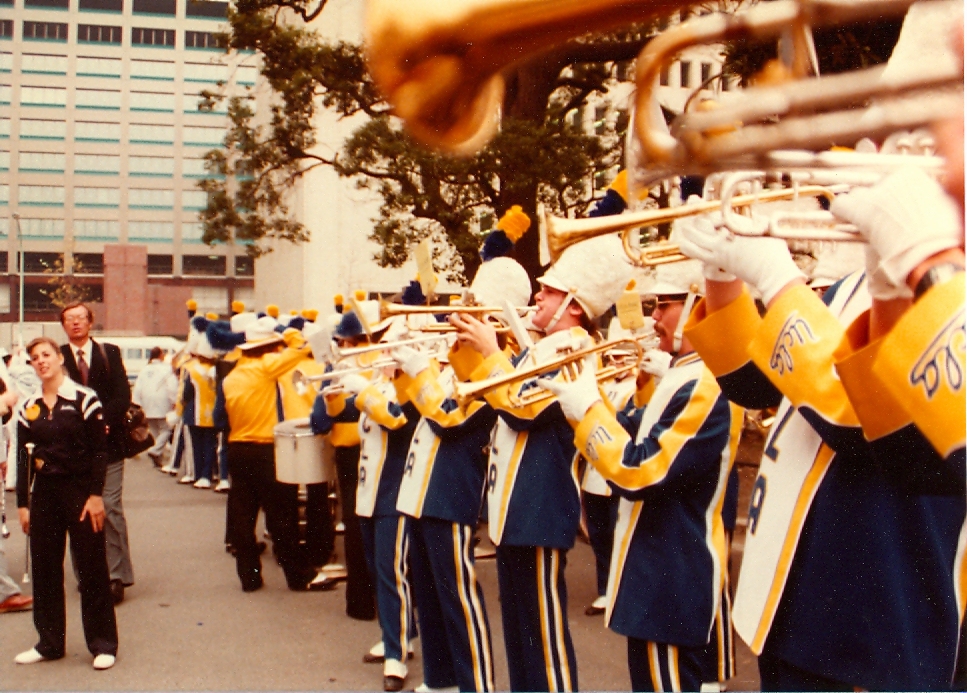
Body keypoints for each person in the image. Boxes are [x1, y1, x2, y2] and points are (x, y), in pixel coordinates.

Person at [541, 260, 742, 692]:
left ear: (694, 304)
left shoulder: (703, 382)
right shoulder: (682, 375)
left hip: (670, 572)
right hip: (655, 570)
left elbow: (640, 471)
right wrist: (588, 404)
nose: (653, 315)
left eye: (663, 305)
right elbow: (632, 434)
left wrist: (588, 413)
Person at [451, 233, 633, 692]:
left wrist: (492, 353)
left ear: (574, 305)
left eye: (549, 290)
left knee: (543, 638)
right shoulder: (541, 348)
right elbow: (498, 395)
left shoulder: (574, 351)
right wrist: (474, 347)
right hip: (515, 510)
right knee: (520, 634)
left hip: (539, 509)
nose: (537, 295)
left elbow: (521, 408)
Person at [14, 336, 118, 670]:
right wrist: (23, 504)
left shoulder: (84, 399)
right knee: (45, 570)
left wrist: (96, 495)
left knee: (91, 569)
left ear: (60, 358)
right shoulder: (28, 405)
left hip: (80, 491)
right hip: (45, 493)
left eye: (46, 354)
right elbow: (22, 458)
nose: (41, 361)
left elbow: (100, 452)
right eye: (34, 357)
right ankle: (49, 642)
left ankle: (103, 644)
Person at [219, 316, 321, 593]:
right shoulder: (266, 368)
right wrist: (285, 331)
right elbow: (300, 346)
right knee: (282, 515)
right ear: (267, 347)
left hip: (238, 447)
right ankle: (297, 576)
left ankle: (249, 578)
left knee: (243, 515)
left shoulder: (232, 376)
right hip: (266, 448)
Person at [59, 302, 133, 605]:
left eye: (80, 318)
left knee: (111, 505)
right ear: (63, 325)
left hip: (109, 444)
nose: (75, 323)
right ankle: (88, 575)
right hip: (73, 447)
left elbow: (122, 396)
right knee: (79, 510)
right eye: (69, 319)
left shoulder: (109, 353)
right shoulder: (59, 356)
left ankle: (117, 576)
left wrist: (101, 422)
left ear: (90, 322)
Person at [132, 347, 178, 467]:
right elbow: (171, 386)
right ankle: (155, 451)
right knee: (166, 429)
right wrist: (174, 400)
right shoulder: (166, 369)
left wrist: (137, 403)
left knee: (154, 430)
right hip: (162, 401)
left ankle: (158, 453)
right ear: (161, 355)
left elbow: (138, 388)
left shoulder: (145, 369)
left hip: (147, 402)